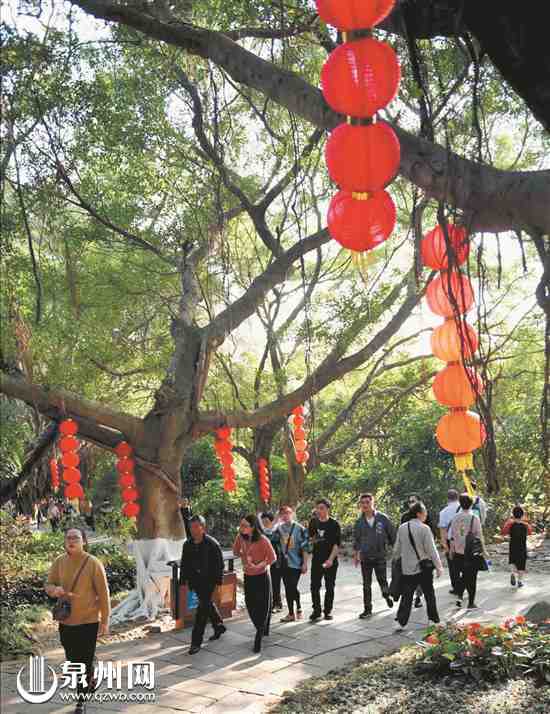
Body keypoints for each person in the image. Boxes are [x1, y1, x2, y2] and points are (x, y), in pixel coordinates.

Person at [45, 527, 110, 714]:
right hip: (66, 622)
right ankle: (91, 675)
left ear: (83, 541)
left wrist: (105, 621)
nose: (71, 540)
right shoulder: (59, 562)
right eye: (68, 538)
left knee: (84, 660)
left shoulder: (93, 563)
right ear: (65, 541)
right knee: (73, 660)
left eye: (76, 537)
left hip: (88, 621)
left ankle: (81, 700)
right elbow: (48, 584)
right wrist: (53, 590)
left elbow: (104, 595)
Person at [179, 514, 226, 654]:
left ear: (202, 527)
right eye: (190, 527)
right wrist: (183, 581)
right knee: (206, 604)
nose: (193, 530)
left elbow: (220, 565)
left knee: (201, 610)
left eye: (195, 527)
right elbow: (185, 564)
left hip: (209, 581)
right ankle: (218, 626)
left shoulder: (212, 544)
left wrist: (218, 584)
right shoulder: (187, 544)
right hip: (196, 581)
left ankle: (195, 642)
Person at [393, 502, 443, 631]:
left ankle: (401, 622)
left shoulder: (402, 528)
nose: (426, 515)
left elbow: (397, 550)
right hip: (424, 568)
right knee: (429, 594)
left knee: (407, 595)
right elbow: (431, 550)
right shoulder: (424, 528)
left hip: (408, 568)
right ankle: (433, 619)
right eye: (425, 512)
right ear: (419, 514)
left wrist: (397, 562)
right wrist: (439, 566)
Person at [233, 514, 276, 652]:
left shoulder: (263, 540)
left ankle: (259, 634)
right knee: (250, 604)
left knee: (263, 604)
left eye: (245, 525)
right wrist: (244, 556)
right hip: (248, 576)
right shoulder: (240, 538)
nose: (241, 528)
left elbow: (272, 557)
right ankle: (260, 627)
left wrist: (259, 565)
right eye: (241, 525)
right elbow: (235, 551)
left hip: (262, 576)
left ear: (253, 527)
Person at [353, 493, 396, 619]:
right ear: (360, 505)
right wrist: (356, 555)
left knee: (382, 581)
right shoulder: (359, 522)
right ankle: (367, 609)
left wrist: (396, 551)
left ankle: (386, 596)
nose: (365, 505)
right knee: (366, 584)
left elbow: (393, 535)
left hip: (380, 556)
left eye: (367, 502)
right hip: (365, 557)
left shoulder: (383, 518)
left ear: (373, 503)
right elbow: (356, 540)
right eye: (363, 503)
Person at [448, 493, 487, 609]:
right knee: (471, 578)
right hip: (471, 553)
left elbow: (452, 535)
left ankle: (460, 597)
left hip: (458, 552)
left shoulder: (455, 518)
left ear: (460, 503)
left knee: (463, 576)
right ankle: (471, 602)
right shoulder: (474, 518)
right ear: (471, 504)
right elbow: (479, 536)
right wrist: (484, 551)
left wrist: (451, 550)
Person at [273, 505, 309, 622]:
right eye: (282, 513)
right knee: (289, 587)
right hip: (284, 563)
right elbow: (269, 536)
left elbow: (305, 548)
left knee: (292, 586)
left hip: (296, 563)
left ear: (292, 513)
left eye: (287, 513)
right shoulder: (279, 529)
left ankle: (298, 606)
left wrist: (305, 563)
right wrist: (275, 521)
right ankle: (291, 613)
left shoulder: (300, 529)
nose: (285, 515)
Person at [400, 495, 436, 609]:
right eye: (410, 501)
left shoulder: (425, 515)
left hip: (422, 553)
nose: (411, 503)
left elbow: (431, 533)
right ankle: (408, 603)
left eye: (413, 501)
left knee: (421, 578)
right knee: (410, 579)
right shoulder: (405, 516)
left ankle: (418, 598)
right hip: (408, 554)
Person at [308, 498, 341, 622]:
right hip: (317, 559)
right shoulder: (313, 522)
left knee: (330, 586)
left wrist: (330, 560)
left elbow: (336, 544)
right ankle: (316, 611)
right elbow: (311, 539)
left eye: (321, 508)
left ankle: (327, 611)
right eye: (317, 508)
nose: (318, 511)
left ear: (328, 509)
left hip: (330, 560)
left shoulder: (334, 524)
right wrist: (312, 541)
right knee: (314, 586)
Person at [502, 506, 533, 588]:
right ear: (522, 515)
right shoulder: (526, 525)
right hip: (522, 546)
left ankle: (512, 573)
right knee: (521, 563)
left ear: (513, 514)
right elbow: (530, 533)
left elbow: (504, 532)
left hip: (513, 545)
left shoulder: (509, 523)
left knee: (512, 560)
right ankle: (519, 581)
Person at [438, 489, 461, 595]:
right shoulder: (464, 509)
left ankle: (457, 588)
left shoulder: (443, 512)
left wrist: (445, 546)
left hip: (450, 540)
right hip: (463, 540)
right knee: (465, 564)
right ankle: (465, 584)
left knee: (453, 566)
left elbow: (443, 531)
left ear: (447, 498)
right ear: (458, 497)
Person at [261, 511, 283, 612]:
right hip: (265, 560)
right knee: (267, 582)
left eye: (266, 521)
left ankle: (277, 604)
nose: (264, 523)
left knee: (275, 581)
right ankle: (270, 603)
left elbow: (273, 539)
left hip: (276, 560)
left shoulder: (278, 530)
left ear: (271, 521)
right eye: (263, 521)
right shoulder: (263, 531)